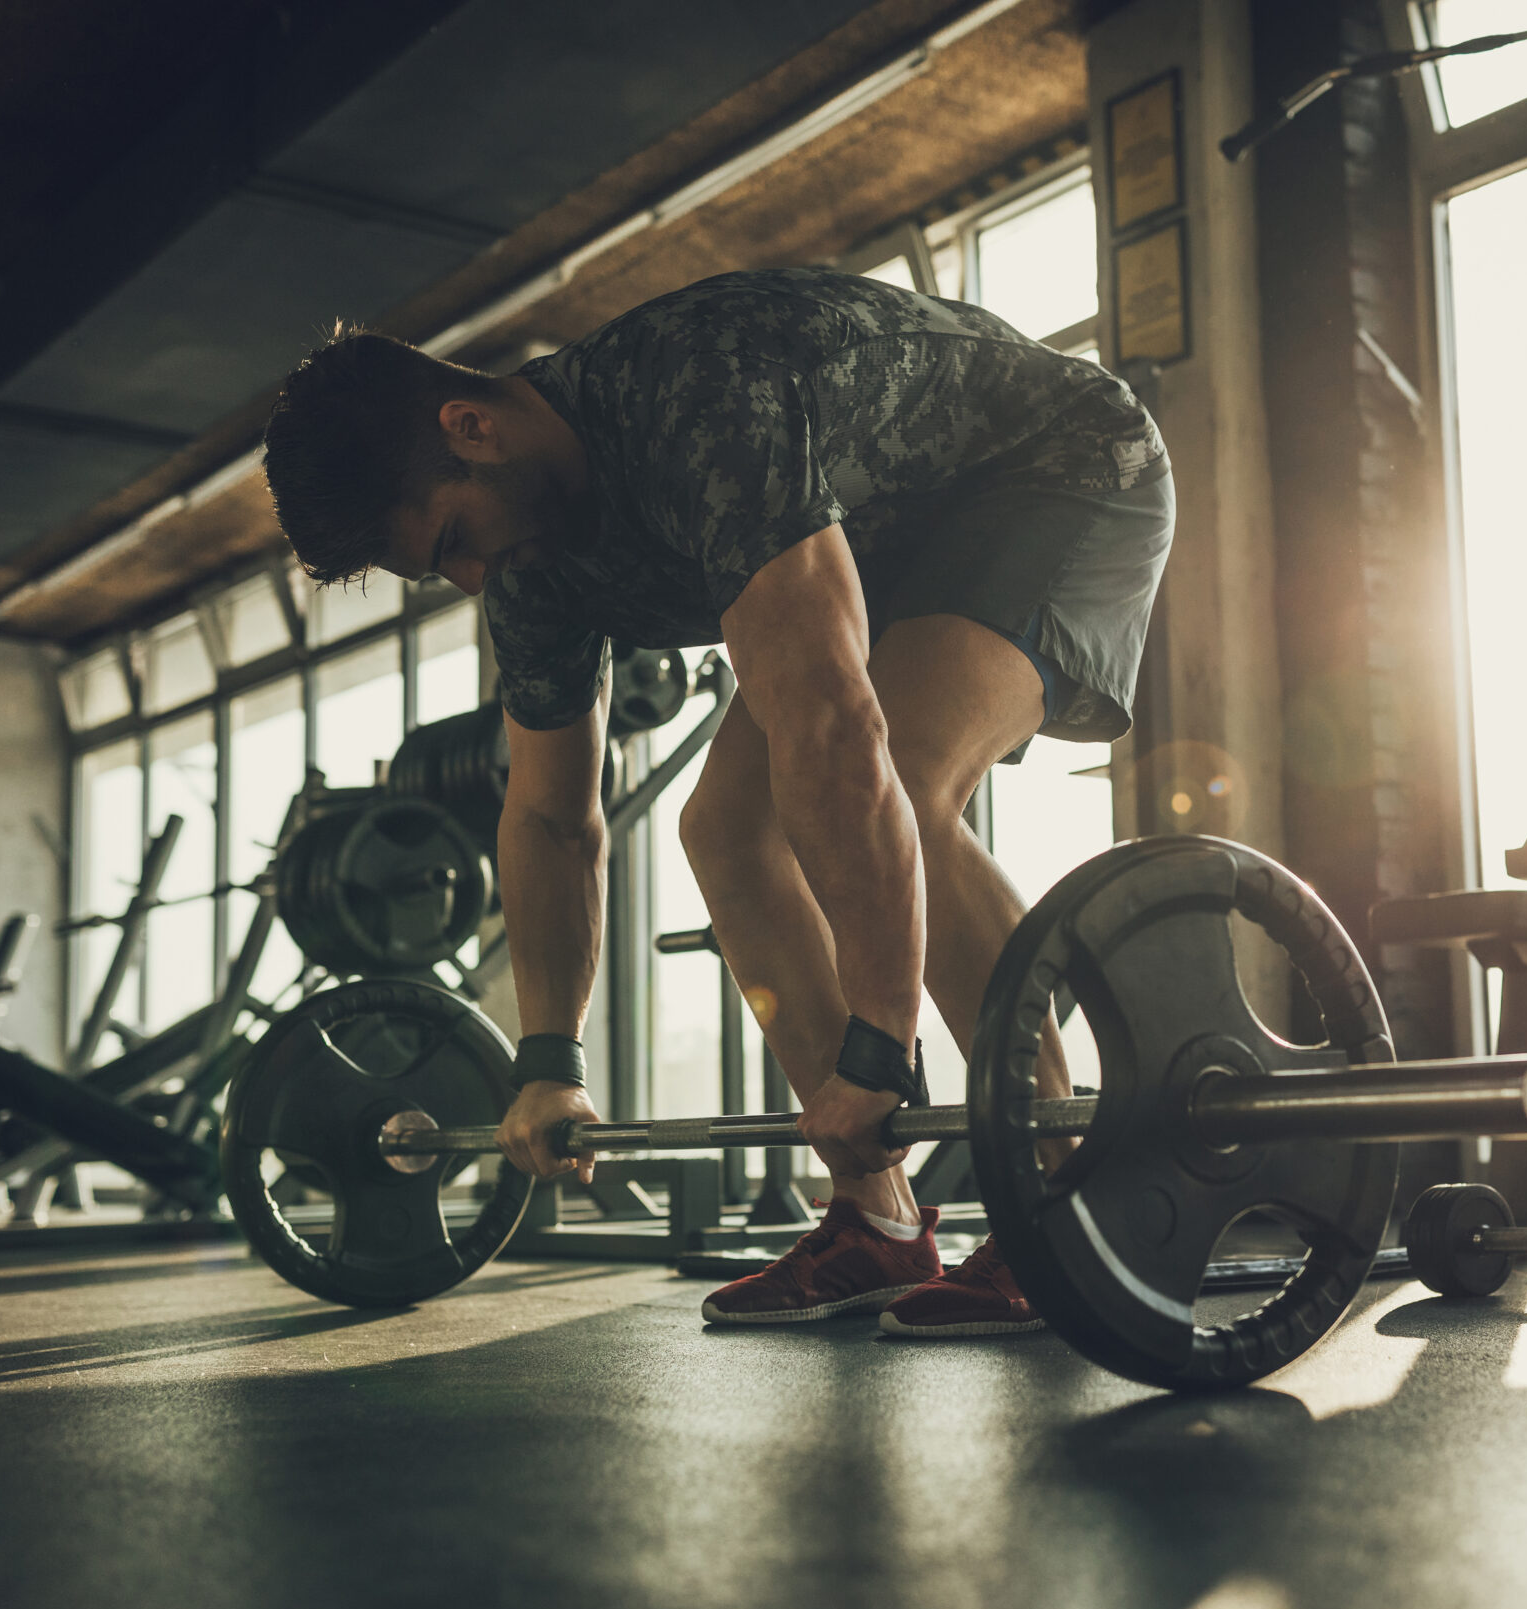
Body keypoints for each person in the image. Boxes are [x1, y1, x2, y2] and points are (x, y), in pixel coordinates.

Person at [260, 268, 1171, 1336]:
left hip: (1055, 472)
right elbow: (551, 815)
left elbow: (833, 721)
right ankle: (875, 1216)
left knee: (909, 781)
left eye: (453, 539)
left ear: (471, 427)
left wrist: (880, 1048)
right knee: (724, 828)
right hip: (888, 537)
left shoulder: (697, 396)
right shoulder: (529, 567)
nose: (468, 579)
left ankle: (1065, 1201)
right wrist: (549, 1062)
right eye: (437, 569)